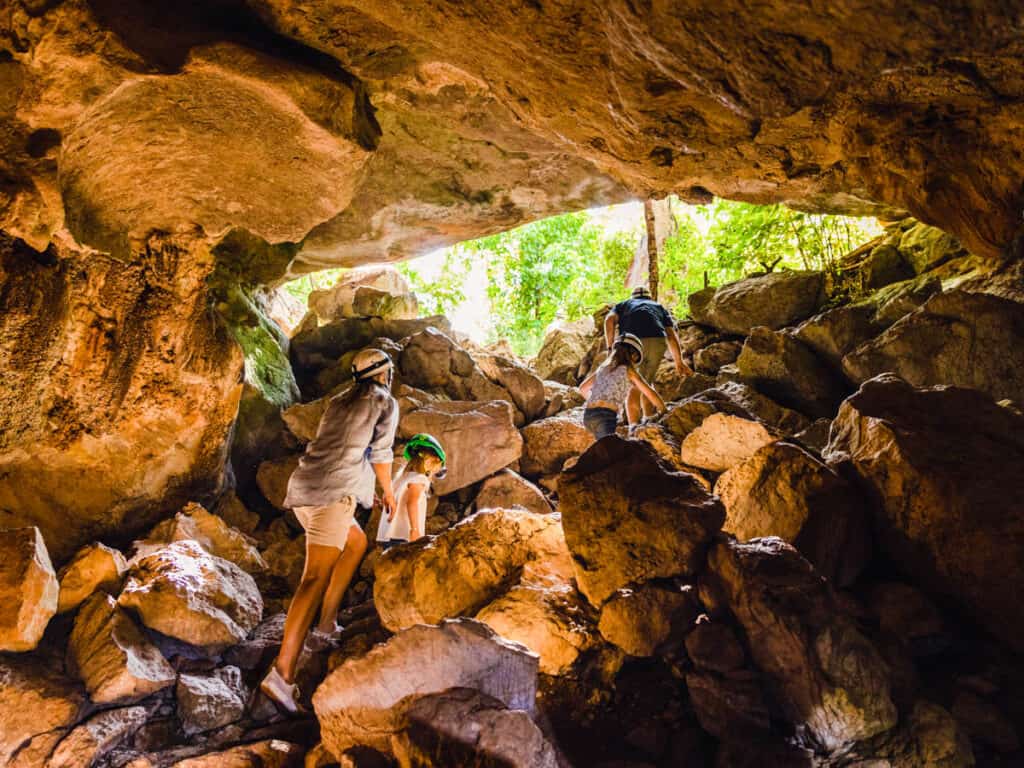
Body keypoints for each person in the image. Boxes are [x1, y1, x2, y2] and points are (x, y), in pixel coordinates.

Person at [260, 348, 399, 713]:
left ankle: (325, 624)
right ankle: (282, 674)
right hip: (333, 496)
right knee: (314, 577)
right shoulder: (384, 400)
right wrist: (388, 491)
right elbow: (382, 453)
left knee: (355, 542)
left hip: (304, 488)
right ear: (384, 373)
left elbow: (342, 446)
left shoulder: (340, 400)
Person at [604, 286, 691, 417]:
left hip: (632, 341)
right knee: (646, 382)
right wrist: (679, 361)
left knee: (633, 384)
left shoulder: (624, 305)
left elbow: (608, 320)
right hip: (657, 341)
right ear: (649, 297)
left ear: (632, 298)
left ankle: (633, 427)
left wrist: (610, 347)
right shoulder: (658, 307)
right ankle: (648, 418)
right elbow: (671, 336)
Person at [579, 333, 665, 438]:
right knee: (609, 451)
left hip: (588, 415)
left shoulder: (603, 368)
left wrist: (596, 401)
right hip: (606, 416)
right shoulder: (629, 371)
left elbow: (583, 388)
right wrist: (663, 410)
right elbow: (649, 393)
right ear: (633, 355)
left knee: (601, 447)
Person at [376, 433, 447, 550]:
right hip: (403, 534)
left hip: (388, 533)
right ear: (433, 460)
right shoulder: (419, 479)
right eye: (438, 466)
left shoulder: (402, 478)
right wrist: (415, 530)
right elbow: (412, 503)